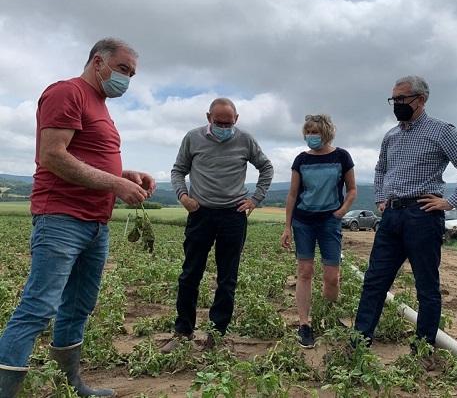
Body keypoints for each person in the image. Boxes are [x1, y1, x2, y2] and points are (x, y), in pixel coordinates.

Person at [0, 38, 154, 398]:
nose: (127, 79)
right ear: (97, 62)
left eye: (132, 73)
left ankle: (68, 385)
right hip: (62, 218)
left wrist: (124, 175)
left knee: (78, 306)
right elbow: (53, 155)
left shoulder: (99, 104)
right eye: (122, 69)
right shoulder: (67, 92)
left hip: (95, 224)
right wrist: (114, 183)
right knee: (39, 307)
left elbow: (89, 156)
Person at [354, 76, 457, 350]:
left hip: (423, 216)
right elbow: (380, 169)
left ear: (421, 99)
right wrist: (381, 198)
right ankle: (359, 341)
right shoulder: (391, 136)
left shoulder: (441, 131)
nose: (397, 104)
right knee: (374, 280)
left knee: (426, 286)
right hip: (391, 216)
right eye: (394, 100)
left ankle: (423, 349)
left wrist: (450, 202)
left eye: (402, 99)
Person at [163, 97, 274, 352]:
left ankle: (216, 334)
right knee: (190, 274)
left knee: (227, 278)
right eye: (218, 122)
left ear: (236, 119)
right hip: (200, 213)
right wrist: (183, 196)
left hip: (233, 215)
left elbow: (266, 168)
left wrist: (255, 199)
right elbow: (178, 170)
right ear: (208, 118)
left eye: (228, 122)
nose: (224, 127)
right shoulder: (192, 138)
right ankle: (183, 332)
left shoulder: (245, 140)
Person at [280, 114, 356, 348]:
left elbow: (351, 189)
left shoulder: (341, 156)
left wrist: (342, 211)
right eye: (308, 132)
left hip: (329, 221)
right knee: (305, 271)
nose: (312, 136)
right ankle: (305, 324)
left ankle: (329, 314)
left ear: (326, 133)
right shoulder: (301, 160)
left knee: (332, 276)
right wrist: (287, 227)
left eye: (316, 132)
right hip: (303, 221)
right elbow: (293, 194)